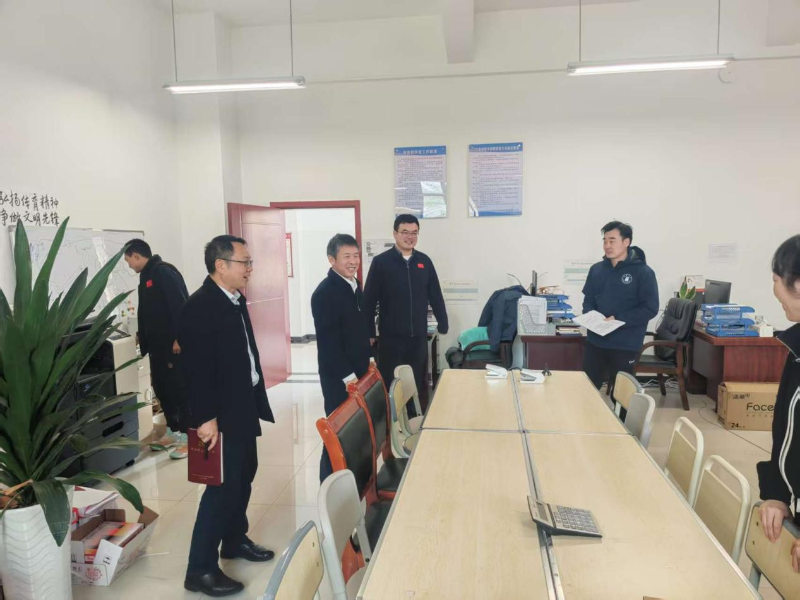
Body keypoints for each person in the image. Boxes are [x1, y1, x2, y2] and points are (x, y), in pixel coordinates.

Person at [180, 235, 276, 596]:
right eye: (244, 262)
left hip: (242, 403)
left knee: (244, 474)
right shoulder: (200, 307)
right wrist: (205, 418)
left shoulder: (233, 299)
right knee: (221, 488)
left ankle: (233, 540)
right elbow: (196, 371)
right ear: (221, 265)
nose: (250, 269)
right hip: (219, 412)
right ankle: (200, 569)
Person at [364, 214, 448, 413]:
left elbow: (435, 294)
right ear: (395, 234)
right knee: (392, 385)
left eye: (414, 233)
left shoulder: (424, 262)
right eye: (405, 232)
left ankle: (414, 420)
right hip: (390, 339)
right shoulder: (381, 262)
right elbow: (369, 300)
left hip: (417, 338)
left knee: (416, 382)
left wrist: (443, 322)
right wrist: (369, 332)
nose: (410, 237)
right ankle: (391, 423)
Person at [311, 234, 372, 482]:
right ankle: (329, 485)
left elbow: (358, 330)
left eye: (356, 255)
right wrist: (349, 378)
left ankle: (350, 482)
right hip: (340, 378)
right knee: (337, 433)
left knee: (355, 432)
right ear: (332, 259)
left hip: (358, 373)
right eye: (346, 256)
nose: (353, 261)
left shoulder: (354, 285)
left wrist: (369, 361)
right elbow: (329, 345)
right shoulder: (325, 293)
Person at [123, 239, 190, 459]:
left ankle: (188, 437)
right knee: (162, 389)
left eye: (128, 260)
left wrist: (180, 338)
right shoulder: (146, 276)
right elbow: (147, 312)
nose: (129, 265)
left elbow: (181, 306)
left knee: (179, 390)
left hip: (173, 347)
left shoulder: (164, 272)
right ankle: (172, 431)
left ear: (136, 255)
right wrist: (141, 337)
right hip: (157, 348)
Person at [757, 234, 800, 572]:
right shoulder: (796, 348)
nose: (773, 288)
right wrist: (778, 494)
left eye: (775, 279)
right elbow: (785, 432)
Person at [581, 221, 659, 390]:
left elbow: (650, 308)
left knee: (622, 394)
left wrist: (618, 319)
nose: (607, 246)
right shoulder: (596, 270)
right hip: (596, 341)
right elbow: (589, 299)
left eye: (612, 241)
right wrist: (590, 315)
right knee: (587, 389)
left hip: (625, 343)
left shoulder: (643, 272)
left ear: (626, 242)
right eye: (605, 241)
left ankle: (619, 410)